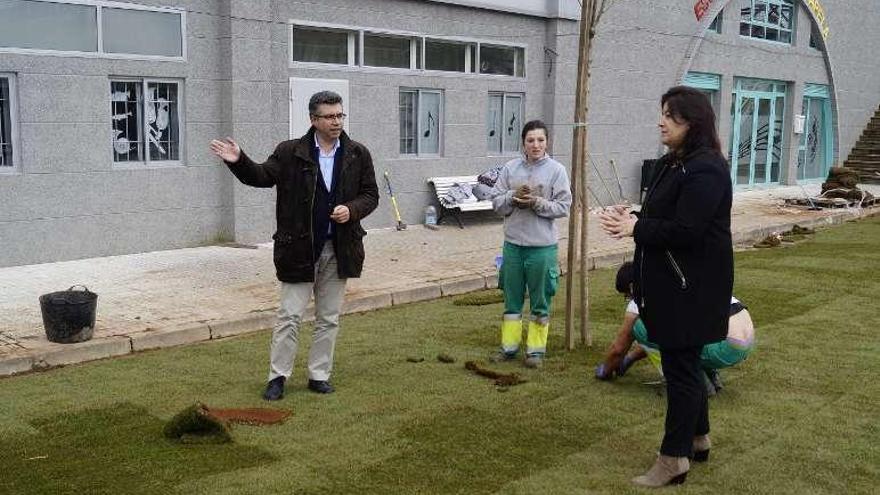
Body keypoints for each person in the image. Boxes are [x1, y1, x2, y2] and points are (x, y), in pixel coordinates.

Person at [598, 86, 733, 488]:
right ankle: (698, 438)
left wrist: (636, 227)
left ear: (692, 123)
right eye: (661, 113)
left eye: (670, 115)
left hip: (690, 289)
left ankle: (674, 459)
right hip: (671, 286)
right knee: (685, 365)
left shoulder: (707, 169)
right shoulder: (671, 164)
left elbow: (688, 231)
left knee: (681, 371)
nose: (661, 121)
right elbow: (664, 216)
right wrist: (633, 215)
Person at [209, 91, 378, 400]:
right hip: (298, 250)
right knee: (289, 317)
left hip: (339, 248)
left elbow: (370, 195)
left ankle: (319, 375)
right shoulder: (291, 152)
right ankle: (278, 377)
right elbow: (261, 176)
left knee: (329, 318)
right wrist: (239, 161)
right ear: (313, 120)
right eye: (329, 116)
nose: (336, 121)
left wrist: (352, 210)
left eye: (340, 115)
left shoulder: (357, 153)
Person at [595, 262, 754, 396]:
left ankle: (696, 383)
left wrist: (605, 370)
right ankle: (710, 376)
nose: (628, 299)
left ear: (631, 286)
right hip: (744, 341)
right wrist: (631, 358)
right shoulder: (675, 278)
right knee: (682, 331)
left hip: (723, 345)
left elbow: (618, 348)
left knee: (638, 328)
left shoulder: (642, 298)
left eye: (627, 295)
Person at [490, 120, 572, 368]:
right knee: (511, 300)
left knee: (540, 300)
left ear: (547, 142)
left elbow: (564, 206)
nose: (535, 145)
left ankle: (535, 352)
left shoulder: (557, 171)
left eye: (540, 140)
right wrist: (512, 198)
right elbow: (495, 202)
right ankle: (509, 348)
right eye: (530, 140)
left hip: (542, 249)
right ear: (523, 143)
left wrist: (537, 203)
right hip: (513, 246)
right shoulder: (510, 169)